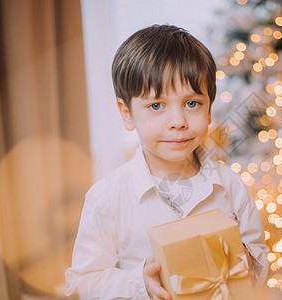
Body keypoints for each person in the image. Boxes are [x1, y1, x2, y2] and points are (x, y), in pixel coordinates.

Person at [65, 24, 268, 299]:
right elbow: (84, 283)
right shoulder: (108, 199)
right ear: (127, 114)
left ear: (209, 109)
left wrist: (246, 264)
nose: (178, 122)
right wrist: (140, 282)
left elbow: (259, 260)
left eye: (192, 103)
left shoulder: (230, 186)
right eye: (157, 106)